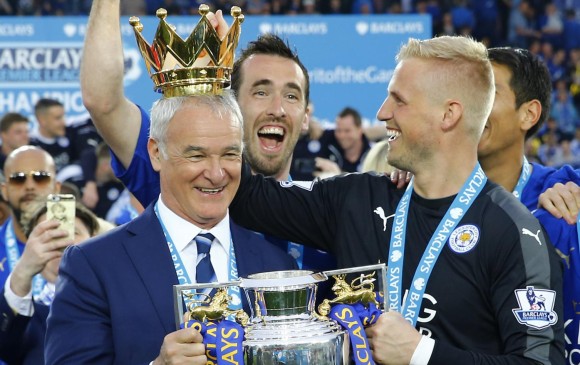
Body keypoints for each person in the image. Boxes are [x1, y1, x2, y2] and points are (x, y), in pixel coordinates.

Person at [226, 36, 565, 363]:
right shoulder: (356, 200)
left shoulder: (515, 232)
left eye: (399, 100)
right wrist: (205, 85)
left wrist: (421, 354)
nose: (382, 112)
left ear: (449, 115)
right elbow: (245, 195)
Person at [44, 92, 298, 364]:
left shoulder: (278, 267)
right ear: (156, 153)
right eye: (197, 155)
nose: (216, 173)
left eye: (230, 154)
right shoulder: (93, 265)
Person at [80, 0, 334, 272]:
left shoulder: (327, 217)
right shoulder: (188, 176)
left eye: (291, 96)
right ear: (231, 106)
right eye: (260, 92)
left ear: (306, 116)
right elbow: (103, 102)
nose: (277, 109)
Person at [0, 203, 99, 365]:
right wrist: (23, 270)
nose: (62, 241)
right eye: (48, 235)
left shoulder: (119, 302)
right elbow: (4, 346)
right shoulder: (25, 319)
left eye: (73, 231)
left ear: (95, 239)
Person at [0, 146, 60, 289]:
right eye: (18, 179)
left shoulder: (81, 247)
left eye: (41, 177)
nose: (29, 186)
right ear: (4, 191)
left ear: (56, 188)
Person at [315, 106, 371, 176]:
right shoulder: (327, 141)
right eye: (338, 130)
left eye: (347, 131)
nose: (342, 136)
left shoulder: (373, 154)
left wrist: (338, 174)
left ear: (360, 130)